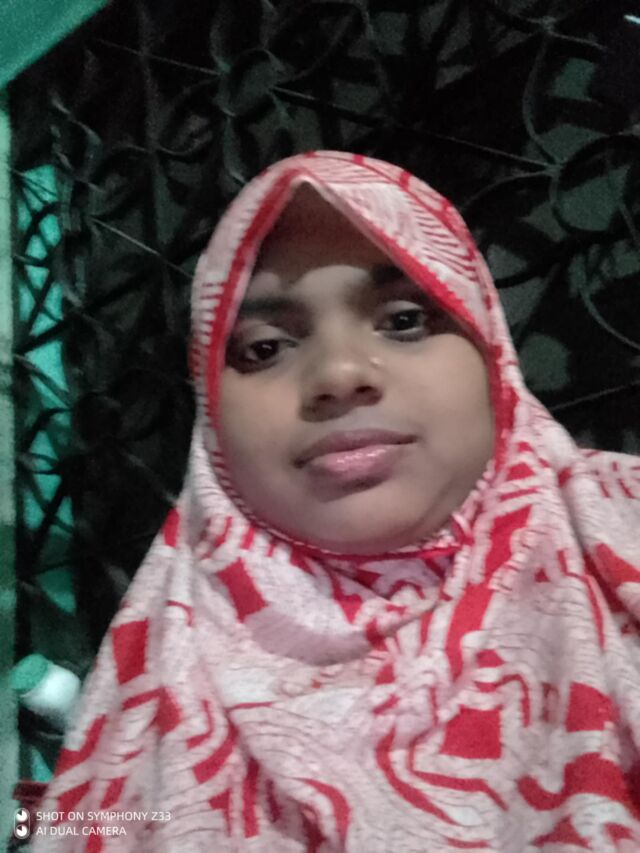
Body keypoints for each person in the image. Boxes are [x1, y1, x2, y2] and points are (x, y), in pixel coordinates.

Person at [31, 151, 640, 851]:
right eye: (263, 349)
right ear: (212, 422)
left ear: (491, 352)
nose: (340, 373)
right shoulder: (154, 666)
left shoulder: (621, 529)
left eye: (405, 319)